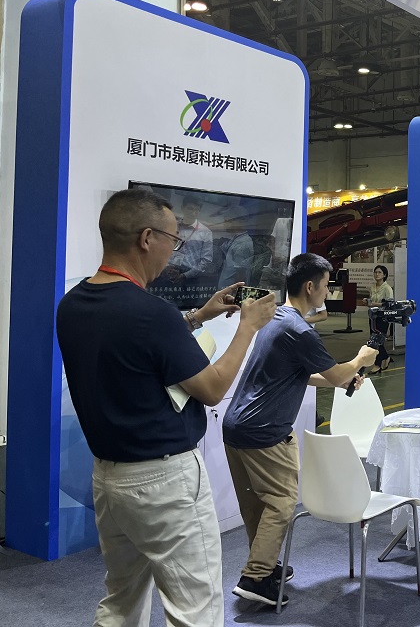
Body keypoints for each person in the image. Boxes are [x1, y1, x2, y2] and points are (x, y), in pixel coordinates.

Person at [55, 187, 277, 627]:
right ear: (146, 238)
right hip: (165, 481)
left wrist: (197, 316)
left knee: (121, 599)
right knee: (196, 609)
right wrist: (247, 328)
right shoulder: (149, 312)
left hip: (109, 477)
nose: (174, 251)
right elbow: (212, 388)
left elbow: (136, 346)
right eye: (174, 241)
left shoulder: (74, 303)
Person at [224, 253, 378, 608]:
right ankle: (256, 577)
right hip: (264, 431)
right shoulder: (300, 330)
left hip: (237, 426)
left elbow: (299, 374)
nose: (327, 292)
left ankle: (264, 567)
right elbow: (337, 373)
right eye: (325, 286)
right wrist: (360, 359)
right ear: (310, 287)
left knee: (257, 506)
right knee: (280, 503)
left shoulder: (277, 319)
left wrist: (341, 380)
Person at [362, 264, 394, 372]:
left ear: (384, 275)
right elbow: (372, 300)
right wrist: (367, 301)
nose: (377, 274)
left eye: (379, 272)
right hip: (373, 316)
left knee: (378, 341)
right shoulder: (372, 287)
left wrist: (374, 304)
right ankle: (386, 357)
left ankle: (378, 364)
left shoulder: (387, 288)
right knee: (373, 340)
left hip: (383, 317)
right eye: (375, 272)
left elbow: (389, 304)